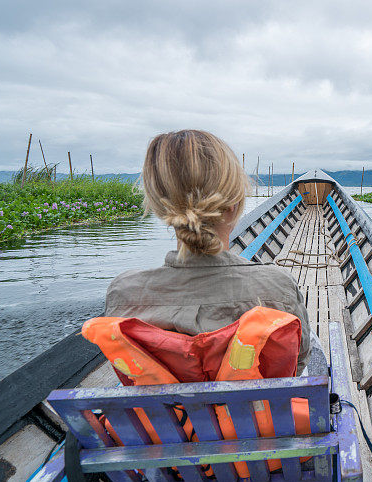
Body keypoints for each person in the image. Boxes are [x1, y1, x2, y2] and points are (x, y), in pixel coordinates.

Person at [103, 129, 312, 374]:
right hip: (256, 412)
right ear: (233, 206)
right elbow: (296, 365)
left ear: (159, 206)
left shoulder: (124, 295)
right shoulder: (278, 289)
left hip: (168, 413)